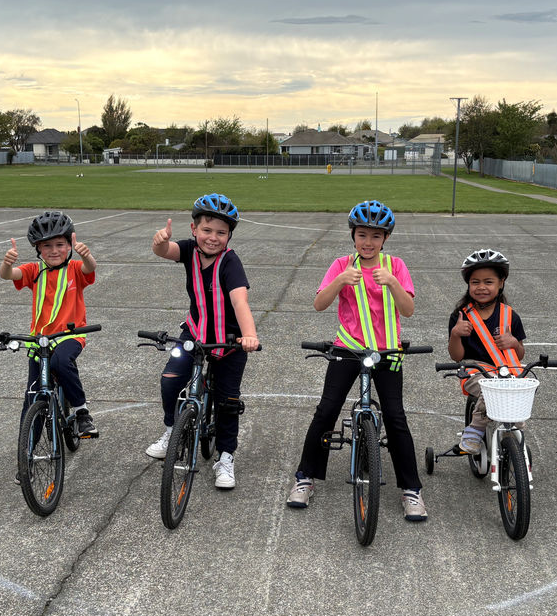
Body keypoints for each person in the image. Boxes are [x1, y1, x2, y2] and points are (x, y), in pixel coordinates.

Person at [286, 200, 427, 521]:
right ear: (353, 235)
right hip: (347, 349)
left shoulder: (396, 266)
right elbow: (319, 304)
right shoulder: (340, 265)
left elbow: (408, 310)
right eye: (362, 235)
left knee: (396, 417)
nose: (368, 242)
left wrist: (392, 284)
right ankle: (304, 477)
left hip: (387, 352)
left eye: (375, 236)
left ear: (385, 239)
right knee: (326, 410)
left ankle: (412, 490)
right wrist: (339, 282)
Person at [147, 194, 260, 489]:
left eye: (221, 232)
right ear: (194, 229)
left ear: (229, 235)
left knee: (228, 400)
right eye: (207, 230)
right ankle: (172, 429)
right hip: (195, 333)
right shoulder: (188, 250)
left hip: (231, 340)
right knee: (171, 377)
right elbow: (164, 251)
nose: (213, 238)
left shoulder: (230, 262)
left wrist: (250, 335)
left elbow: (240, 301)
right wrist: (159, 241)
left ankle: (225, 457)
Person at [0, 211, 98, 438]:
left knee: (61, 361)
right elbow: (9, 275)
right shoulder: (34, 270)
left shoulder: (74, 268)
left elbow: (89, 269)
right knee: (33, 398)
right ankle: (28, 455)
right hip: (40, 340)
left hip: (70, 336)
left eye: (60, 244)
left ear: (70, 245)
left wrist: (86, 256)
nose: (54, 251)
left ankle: (82, 412)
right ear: (38, 249)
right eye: (47, 246)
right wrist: (6, 264)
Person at [448, 249, 526, 454]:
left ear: (501, 283)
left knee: (520, 389)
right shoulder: (461, 316)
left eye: (488, 282)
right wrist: (456, 334)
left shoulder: (510, 316)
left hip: (506, 371)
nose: (482, 287)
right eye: (475, 282)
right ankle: (474, 430)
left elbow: (520, 355)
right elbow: (456, 356)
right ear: (468, 285)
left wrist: (514, 343)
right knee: (491, 390)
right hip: (474, 371)